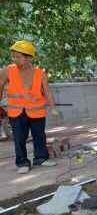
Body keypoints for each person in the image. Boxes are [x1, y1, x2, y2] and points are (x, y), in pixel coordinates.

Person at [0, 40, 61, 174]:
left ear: (28, 58)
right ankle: (22, 162)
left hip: (37, 111)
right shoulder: (7, 71)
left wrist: (53, 108)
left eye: (17, 56)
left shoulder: (40, 73)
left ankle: (40, 158)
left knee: (39, 136)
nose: (14, 59)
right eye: (13, 56)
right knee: (19, 138)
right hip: (16, 112)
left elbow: (47, 91)